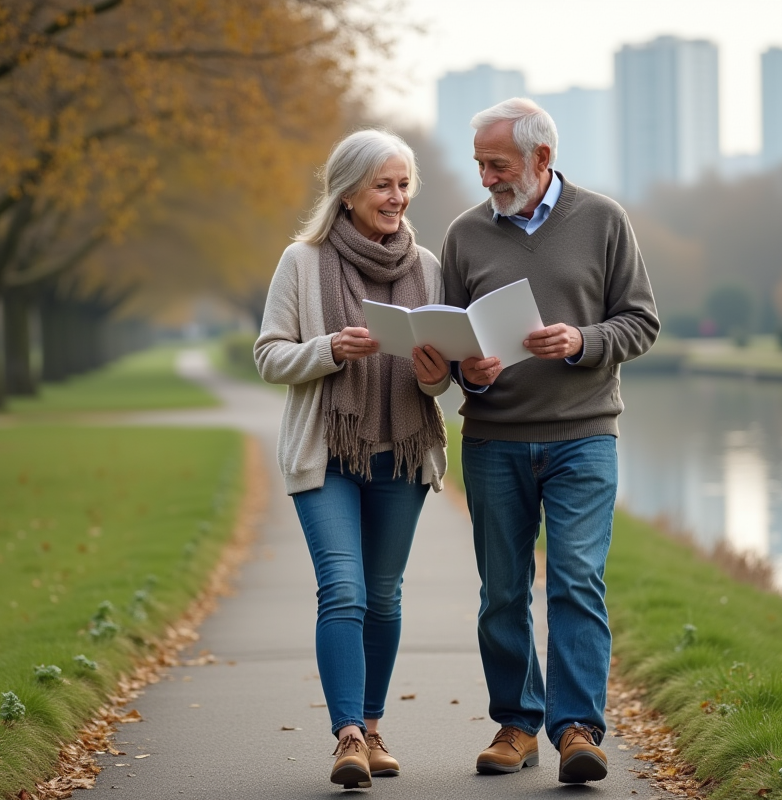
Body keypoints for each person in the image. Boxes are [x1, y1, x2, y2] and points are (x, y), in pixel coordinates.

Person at [437, 98, 659, 784]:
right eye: (478, 163)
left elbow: (641, 322)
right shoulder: (465, 236)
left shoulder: (603, 220)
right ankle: (517, 724)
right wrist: (461, 368)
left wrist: (582, 340)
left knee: (574, 580)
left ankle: (577, 730)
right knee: (502, 590)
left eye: (495, 163)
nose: (484, 178)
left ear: (541, 158)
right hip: (494, 438)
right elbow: (444, 340)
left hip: (584, 437)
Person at [254, 129, 451, 790]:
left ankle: (372, 727)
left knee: (385, 596)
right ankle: (345, 738)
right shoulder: (302, 262)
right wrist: (331, 349)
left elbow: (437, 382)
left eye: (403, 185)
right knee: (345, 588)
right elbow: (269, 354)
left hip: (403, 454)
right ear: (348, 191)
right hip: (327, 452)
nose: (396, 197)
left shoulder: (426, 265)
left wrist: (433, 373)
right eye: (383, 185)